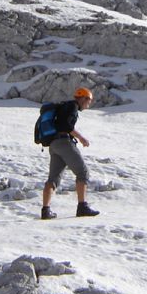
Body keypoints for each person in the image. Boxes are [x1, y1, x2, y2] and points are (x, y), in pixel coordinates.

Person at [40, 87, 100, 219]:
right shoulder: (72, 106)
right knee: (82, 173)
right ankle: (82, 207)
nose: (88, 104)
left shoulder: (64, 107)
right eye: (88, 101)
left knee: (53, 179)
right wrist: (81, 138)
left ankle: (45, 210)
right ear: (83, 98)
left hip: (54, 145)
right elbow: (66, 126)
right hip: (64, 142)